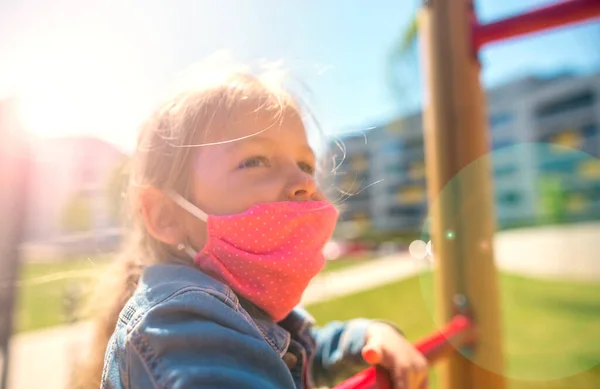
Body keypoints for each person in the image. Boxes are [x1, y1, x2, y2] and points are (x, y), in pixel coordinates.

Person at [76, 61, 428, 389]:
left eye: (306, 165)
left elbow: (307, 349)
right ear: (166, 215)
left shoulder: (248, 313)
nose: (304, 181)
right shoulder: (177, 322)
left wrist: (364, 336)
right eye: (255, 160)